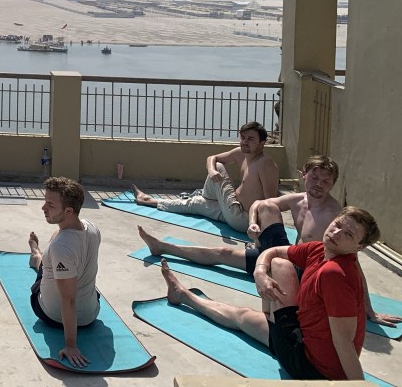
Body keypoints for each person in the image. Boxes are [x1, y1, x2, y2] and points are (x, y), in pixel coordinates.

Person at [137, 155, 400, 326]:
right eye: (314, 177)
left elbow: (354, 263)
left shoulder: (334, 216)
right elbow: (263, 204)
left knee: (264, 238)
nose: (319, 184)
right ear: (304, 176)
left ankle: (267, 288)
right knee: (224, 250)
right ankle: (162, 246)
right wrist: (253, 222)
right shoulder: (298, 200)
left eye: (326, 181)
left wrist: (369, 310)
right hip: (285, 255)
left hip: (302, 271)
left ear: (333, 184)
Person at [159, 206, 381, 380]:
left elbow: (344, 342)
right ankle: (183, 295)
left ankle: (185, 295)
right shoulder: (319, 250)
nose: (337, 233)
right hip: (304, 335)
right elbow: (273, 250)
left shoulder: (335, 274)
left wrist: (356, 384)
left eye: (348, 234)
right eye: (338, 225)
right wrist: (260, 273)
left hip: (309, 366)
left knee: (242, 316)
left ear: (359, 247)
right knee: (275, 265)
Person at [131, 121, 278, 233]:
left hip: (244, 218)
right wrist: (211, 170)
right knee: (196, 203)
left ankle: (206, 195)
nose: (245, 142)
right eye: (243, 137)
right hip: (230, 209)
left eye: (251, 139)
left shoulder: (266, 164)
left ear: (262, 143)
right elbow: (211, 157)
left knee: (219, 167)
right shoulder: (240, 153)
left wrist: (261, 232)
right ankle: (150, 201)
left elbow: (271, 203)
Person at [27, 177, 101, 369]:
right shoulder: (93, 227)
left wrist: (70, 345)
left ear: (68, 211)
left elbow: (68, 301)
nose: (43, 208)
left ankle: (36, 253)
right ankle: (41, 255)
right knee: (59, 255)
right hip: (92, 313)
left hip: (53, 316)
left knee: (44, 264)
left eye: (50, 205)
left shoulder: (61, 247)